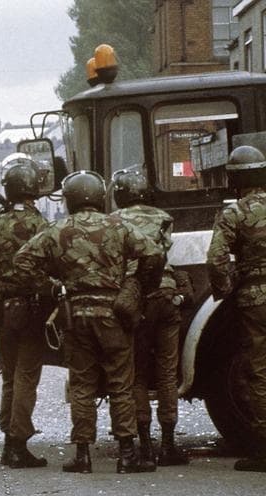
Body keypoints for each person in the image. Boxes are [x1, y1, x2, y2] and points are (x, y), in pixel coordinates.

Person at [0, 170, 165, 474]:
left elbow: (22, 261)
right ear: (101, 197)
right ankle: (127, 454)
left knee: (82, 384)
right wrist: (139, 286)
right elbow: (154, 254)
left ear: (69, 199)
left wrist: (50, 286)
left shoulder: (57, 230)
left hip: (75, 315)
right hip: (113, 315)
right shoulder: (119, 226)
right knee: (121, 383)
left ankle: (83, 455)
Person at [110, 169, 188, 470]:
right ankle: (168, 444)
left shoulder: (114, 220)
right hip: (166, 295)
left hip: (137, 298)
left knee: (137, 374)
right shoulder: (164, 217)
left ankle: (144, 445)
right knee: (167, 373)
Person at [0, 156, 51, 468]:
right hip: (30, 308)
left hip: (1, 309)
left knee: (9, 375)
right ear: (32, 189)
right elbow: (52, 260)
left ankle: (9, 439)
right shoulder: (40, 224)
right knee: (26, 376)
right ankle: (18, 444)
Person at [207, 145, 266, 473]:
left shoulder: (234, 213)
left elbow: (216, 259)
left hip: (255, 300)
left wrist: (226, 292)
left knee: (258, 370)